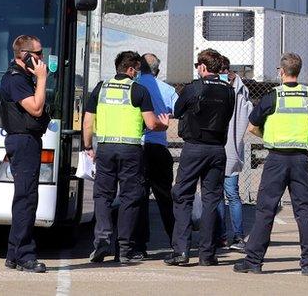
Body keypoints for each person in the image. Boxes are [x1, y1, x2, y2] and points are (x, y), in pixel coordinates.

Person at [235, 53, 308, 276]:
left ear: (281, 72)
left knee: (265, 210)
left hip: (276, 158)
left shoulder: (271, 97)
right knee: (304, 211)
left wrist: (269, 135)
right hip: (301, 159)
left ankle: (254, 261)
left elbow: (252, 127)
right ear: (299, 71)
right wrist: (305, 137)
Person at [83, 51, 167, 264]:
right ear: (130, 69)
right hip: (130, 150)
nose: (138, 74)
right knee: (131, 197)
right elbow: (150, 123)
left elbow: (87, 122)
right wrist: (163, 124)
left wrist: (87, 147)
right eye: (137, 70)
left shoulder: (100, 88)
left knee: (102, 195)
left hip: (105, 148)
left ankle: (102, 236)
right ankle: (125, 248)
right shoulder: (139, 90)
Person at [165, 49, 235, 267]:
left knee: (183, 196)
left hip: (194, 148)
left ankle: (182, 251)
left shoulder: (194, 87)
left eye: (198, 66)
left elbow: (177, 110)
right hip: (217, 149)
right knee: (211, 200)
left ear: (203, 67)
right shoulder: (229, 90)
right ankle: (207, 253)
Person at [0, 35, 51, 273]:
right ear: (25, 55)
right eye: (38, 53)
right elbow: (36, 108)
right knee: (26, 199)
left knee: (24, 197)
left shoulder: (22, 78)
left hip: (25, 140)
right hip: (23, 141)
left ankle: (13, 253)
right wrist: (42, 79)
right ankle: (24, 255)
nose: (42, 58)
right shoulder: (17, 79)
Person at [133, 52, 178, 255]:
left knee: (139, 197)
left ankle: (140, 245)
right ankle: (176, 242)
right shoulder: (167, 90)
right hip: (158, 148)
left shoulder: (134, 88)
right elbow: (179, 110)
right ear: (157, 71)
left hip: (138, 148)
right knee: (165, 198)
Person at [217, 54, 253, 252]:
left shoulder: (229, 89)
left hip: (221, 147)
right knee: (231, 194)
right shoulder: (242, 89)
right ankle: (235, 237)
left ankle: (226, 236)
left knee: (223, 194)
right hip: (231, 147)